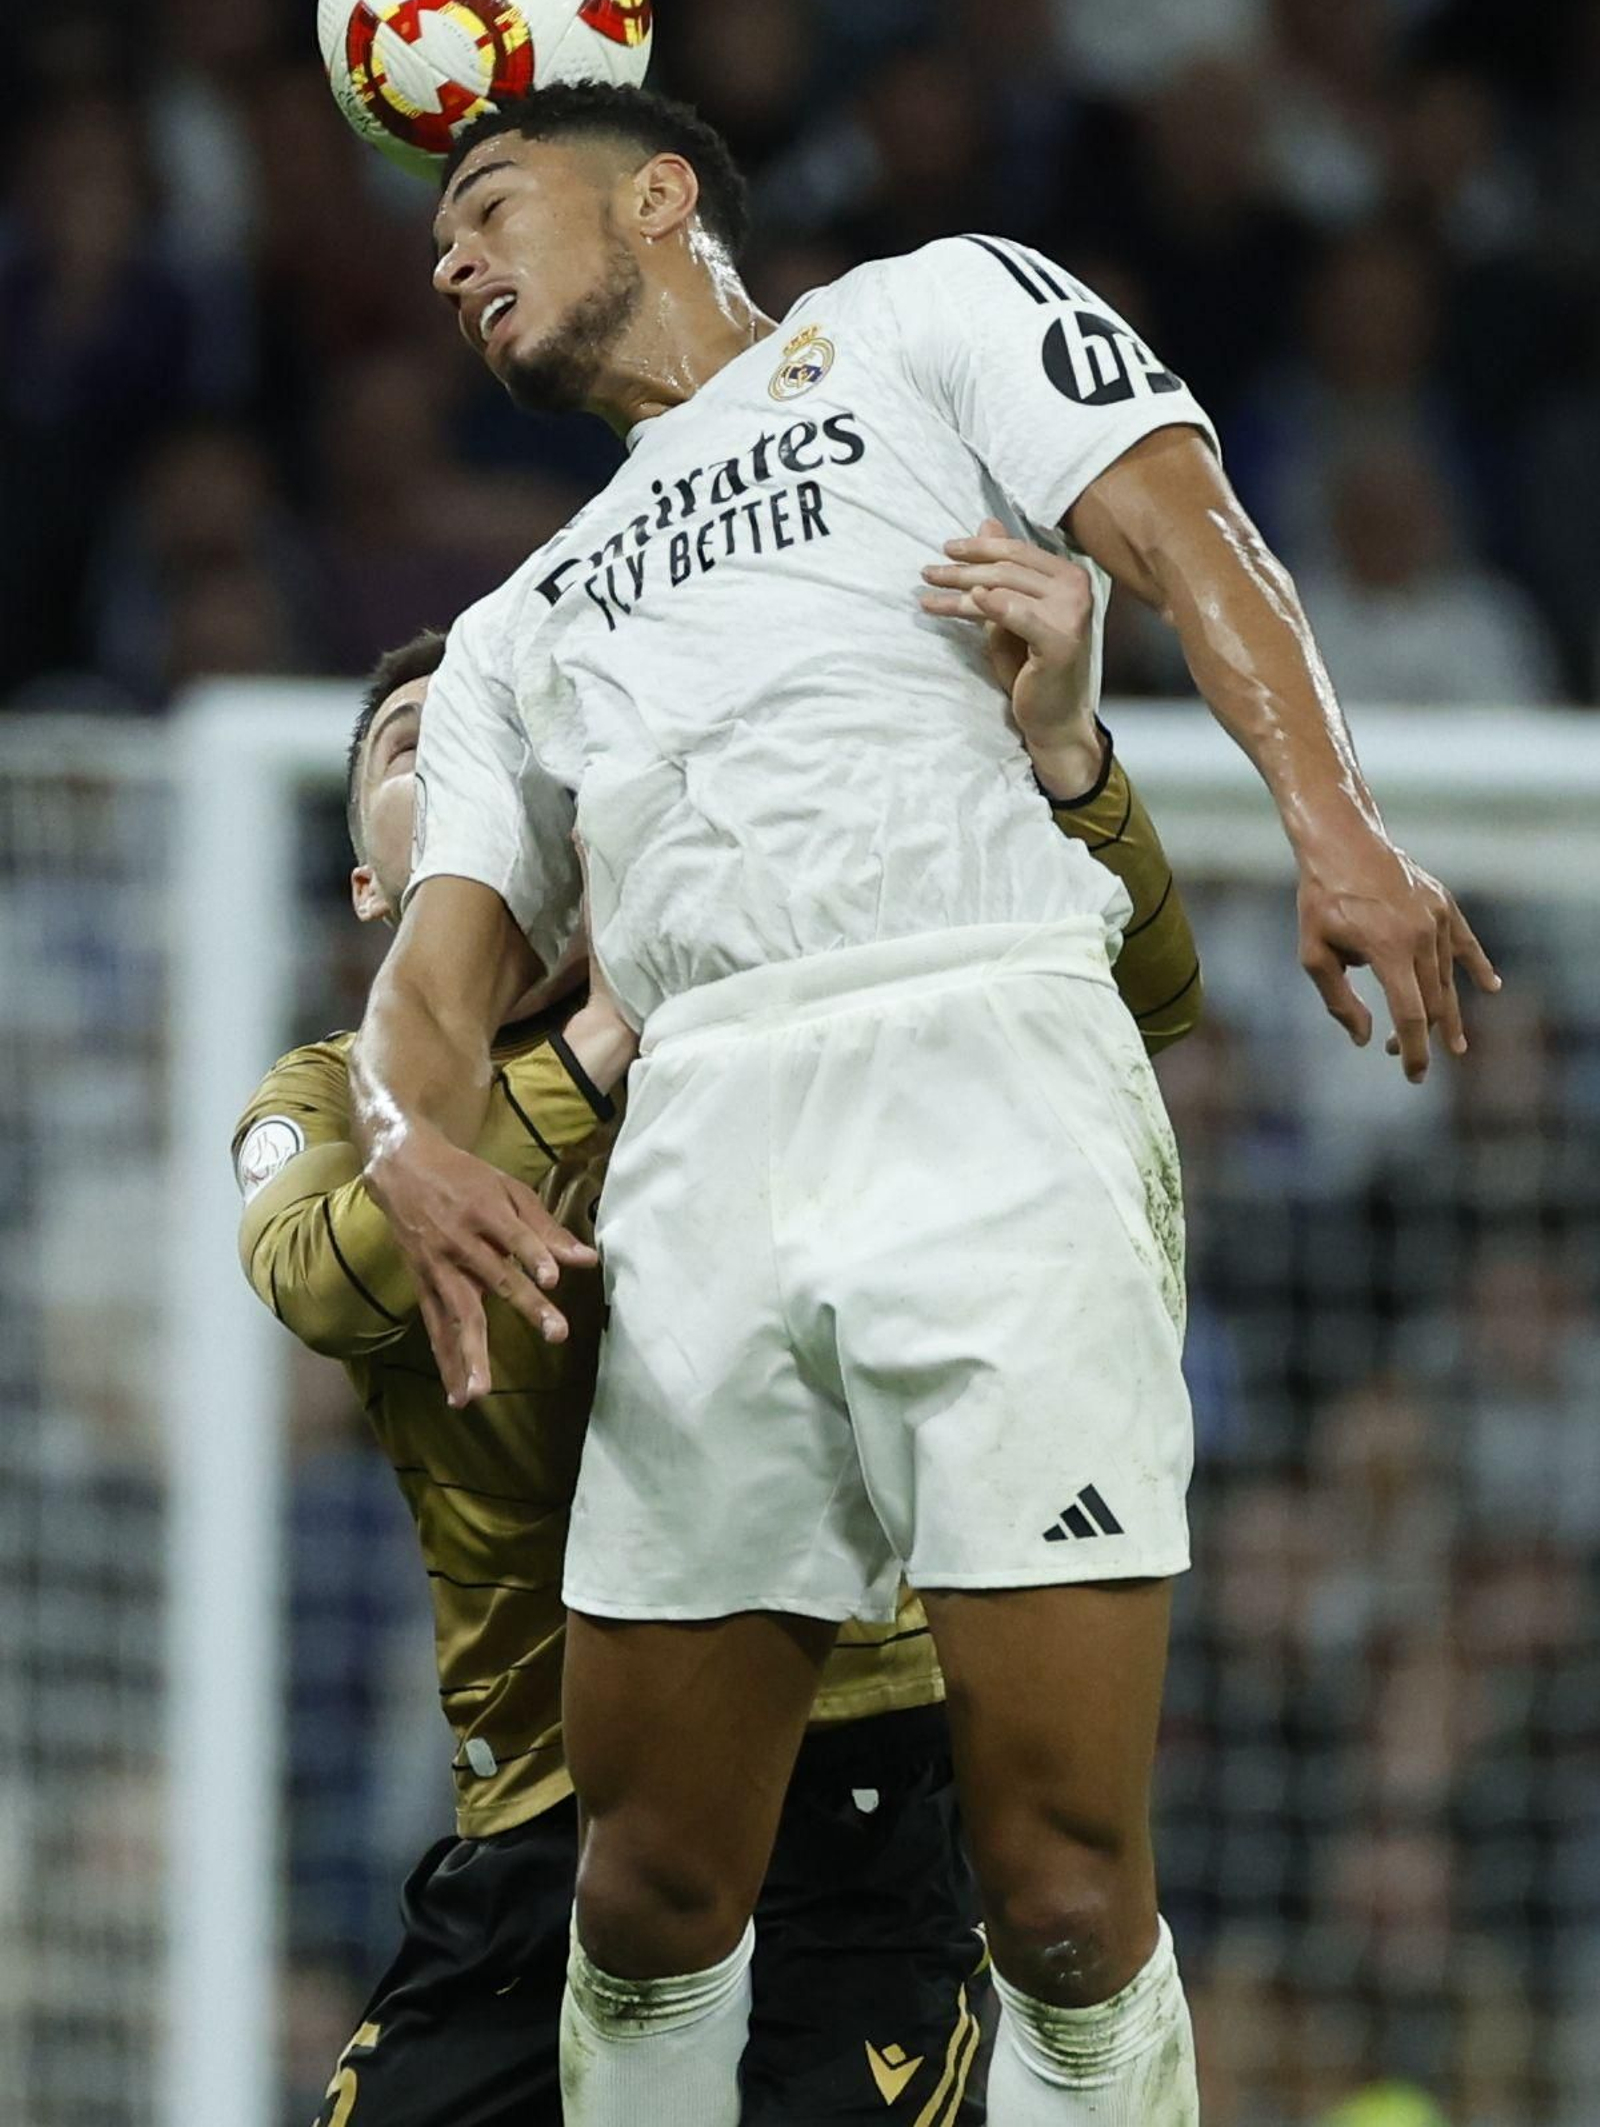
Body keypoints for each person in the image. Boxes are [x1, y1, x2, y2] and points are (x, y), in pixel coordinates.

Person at [347, 82, 1496, 2126]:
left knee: (1057, 1889)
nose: (449, 258)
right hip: (705, 1131)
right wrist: (400, 1137)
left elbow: (1177, 523)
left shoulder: (924, 314)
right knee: (650, 1889)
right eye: (440, 234)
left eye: (489, 200)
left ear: (665, 190)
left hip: (987, 1063)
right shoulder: (524, 622)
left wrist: (1334, 825)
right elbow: (431, 982)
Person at [236, 578, 1200, 2125]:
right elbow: (325, 1274)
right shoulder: (327, 1096)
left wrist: (1070, 755)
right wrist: (598, 1044)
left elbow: (1143, 994)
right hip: (538, 1827)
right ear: (370, 879)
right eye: (424, 747)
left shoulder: (770, 1007)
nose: (479, 766)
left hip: (844, 1780)